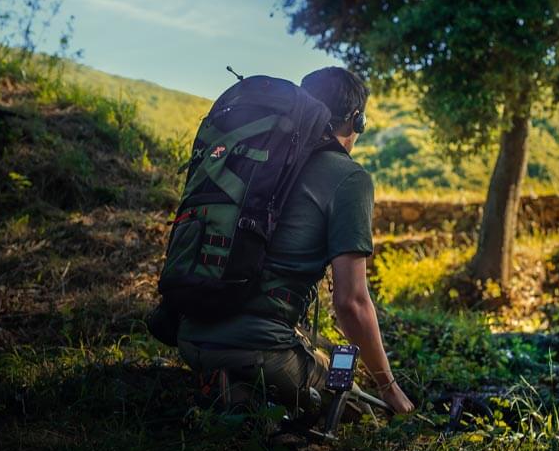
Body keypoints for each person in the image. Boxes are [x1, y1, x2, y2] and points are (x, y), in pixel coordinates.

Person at [177, 67, 414, 416]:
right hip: (257, 348)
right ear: (357, 121)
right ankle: (244, 393)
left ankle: (231, 383)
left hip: (190, 333)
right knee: (361, 411)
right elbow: (351, 303)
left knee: (323, 351)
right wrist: (389, 387)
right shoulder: (349, 177)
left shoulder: (256, 162)